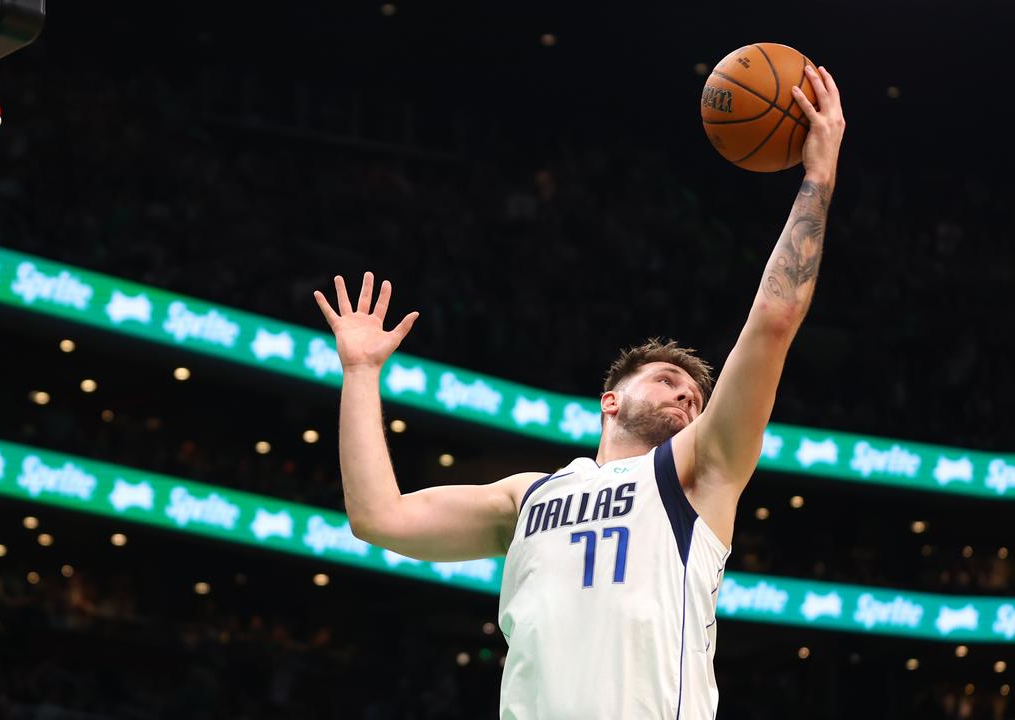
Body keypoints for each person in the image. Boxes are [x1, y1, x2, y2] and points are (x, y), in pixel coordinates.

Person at [314, 65, 845, 719]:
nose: (686, 399)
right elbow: (378, 518)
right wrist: (362, 374)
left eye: (696, 399)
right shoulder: (526, 495)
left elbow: (772, 322)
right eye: (667, 380)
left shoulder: (697, 475)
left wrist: (818, 178)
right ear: (610, 400)